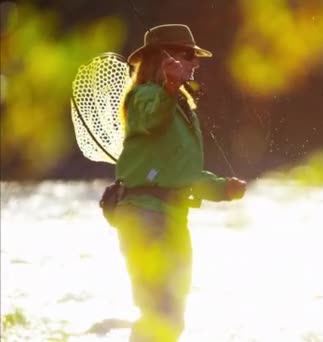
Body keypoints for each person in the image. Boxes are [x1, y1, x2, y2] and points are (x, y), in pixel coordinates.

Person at [110, 24, 246, 342]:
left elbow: (183, 173)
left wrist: (221, 188)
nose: (194, 63)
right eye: (187, 55)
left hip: (173, 218)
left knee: (173, 317)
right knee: (158, 312)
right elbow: (152, 118)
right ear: (163, 58)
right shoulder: (143, 97)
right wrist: (170, 87)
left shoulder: (182, 106)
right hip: (143, 216)